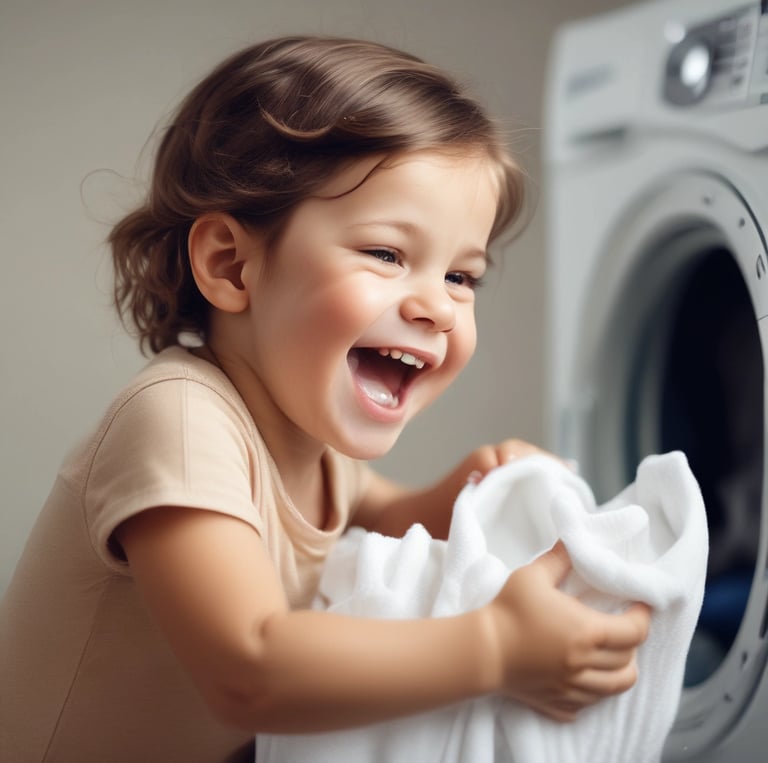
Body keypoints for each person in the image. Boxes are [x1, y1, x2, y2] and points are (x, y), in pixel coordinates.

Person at [0, 36, 650, 762]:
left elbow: (386, 517)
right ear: (232, 265)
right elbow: (249, 667)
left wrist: (467, 490)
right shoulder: (179, 421)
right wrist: (496, 644)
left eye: (463, 277)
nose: (437, 306)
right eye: (387, 254)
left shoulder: (311, 443)